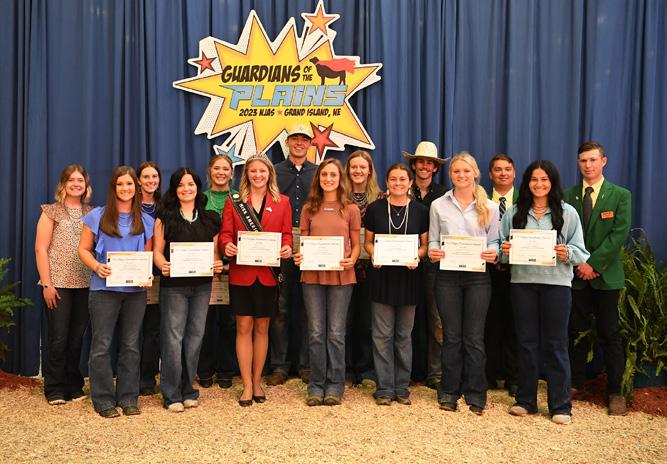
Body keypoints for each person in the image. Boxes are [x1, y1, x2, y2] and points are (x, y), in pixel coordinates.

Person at [500, 160, 589, 425]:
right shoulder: (514, 212)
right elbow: (500, 248)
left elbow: (580, 251)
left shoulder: (568, 213)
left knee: (556, 343)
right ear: (527, 183)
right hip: (522, 284)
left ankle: (561, 405)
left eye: (544, 179)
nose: (539, 184)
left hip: (557, 285)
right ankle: (525, 400)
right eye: (534, 179)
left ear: (553, 182)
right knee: (526, 342)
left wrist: (567, 252)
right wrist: (504, 250)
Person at [78, 166, 154, 418]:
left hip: (135, 292)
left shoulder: (146, 220)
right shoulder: (97, 216)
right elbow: (83, 250)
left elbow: (146, 255)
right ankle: (102, 399)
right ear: (113, 187)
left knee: (131, 344)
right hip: (104, 290)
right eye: (120, 184)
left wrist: (146, 274)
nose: (125, 188)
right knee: (101, 344)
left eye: (129, 184)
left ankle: (129, 397)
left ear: (136, 187)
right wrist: (96, 266)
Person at [427, 152, 499, 415]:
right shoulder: (438, 205)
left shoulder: (490, 207)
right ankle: (448, 392)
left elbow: (495, 241)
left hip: (477, 277)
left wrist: (494, 252)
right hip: (447, 276)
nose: (461, 175)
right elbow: (433, 240)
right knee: (451, 336)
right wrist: (433, 251)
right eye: (456, 171)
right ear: (450, 175)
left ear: (475, 173)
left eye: (466, 171)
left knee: (474, 338)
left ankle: (476, 394)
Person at [565, 141, 631, 416]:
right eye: (583, 160)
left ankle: (615, 392)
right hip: (576, 276)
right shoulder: (568, 196)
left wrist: (592, 264)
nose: (588, 165)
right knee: (575, 332)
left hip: (605, 277)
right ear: (578, 163)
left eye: (593, 160)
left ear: (604, 161)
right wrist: (579, 263)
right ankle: (575, 384)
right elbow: (564, 233)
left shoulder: (621, 195)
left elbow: (619, 234)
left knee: (610, 334)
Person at [221, 153, 292, 406]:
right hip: (241, 274)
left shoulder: (282, 202)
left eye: (262, 171)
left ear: (270, 173)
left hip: (268, 275)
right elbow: (225, 234)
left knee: (262, 328)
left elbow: (286, 235)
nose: (258, 175)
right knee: (243, 327)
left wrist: (287, 247)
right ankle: (247, 385)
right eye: (253, 171)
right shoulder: (234, 201)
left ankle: (258, 380)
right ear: (246, 174)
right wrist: (227, 245)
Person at [153, 168, 223, 412]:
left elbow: (215, 254)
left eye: (190, 184)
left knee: (195, 337)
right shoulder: (164, 218)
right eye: (181, 185)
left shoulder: (210, 218)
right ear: (175, 189)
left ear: (197, 187)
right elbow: (157, 253)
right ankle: (171, 394)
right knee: (173, 339)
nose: (186, 189)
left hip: (202, 286)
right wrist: (163, 265)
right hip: (174, 287)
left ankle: (188, 390)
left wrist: (217, 264)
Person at [295, 158, 361, 406]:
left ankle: (335, 384)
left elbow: (356, 245)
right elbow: (303, 243)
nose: (328, 179)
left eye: (333, 175)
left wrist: (352, 259)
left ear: (340, 178)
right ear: (318, 179)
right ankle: (316, 384)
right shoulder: (308, 209)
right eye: (324, 175)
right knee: (315, 332)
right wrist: (300, 255)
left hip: (341, 276)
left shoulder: (351, 209)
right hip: (312, 276)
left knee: (335, 333)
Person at [364, 163, 429, 405]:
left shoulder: (420, 211)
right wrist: (374, 254)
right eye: (393, 179)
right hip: (382, 278)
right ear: (387, 182)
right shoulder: (375, 209)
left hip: (409, 279)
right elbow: (368, 242)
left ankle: (401, 387)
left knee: (403, 336)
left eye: (403, 179)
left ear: (410, 183)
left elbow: (425, 245)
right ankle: (384, 388)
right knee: (382, 335)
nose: (398, 183)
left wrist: (417, 256)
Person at [35, 164, 93, 405]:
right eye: (72, 180)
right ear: (64, 184)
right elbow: (40, 249)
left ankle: (73, 385)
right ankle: (54, 388)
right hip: (57, 283)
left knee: (76, 338)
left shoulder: (92, 213)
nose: (76, 184)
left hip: (85, 283)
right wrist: (47, 284)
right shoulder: (51, 211)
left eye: (80, 180)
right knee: (58, 338)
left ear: (86, 185)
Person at [267, 124, 317, 386]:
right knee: (281, 307)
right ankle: (280, 365)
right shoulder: (274, 172)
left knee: (310, 307)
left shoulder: (318, 173)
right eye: (294, 139)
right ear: (287, 142)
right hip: (282, 246)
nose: (299, 143)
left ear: (310, 144)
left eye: (304, 139)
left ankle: (307, 365)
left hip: (313, 246)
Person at [402, 141, 448, 389]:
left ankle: (436, 374)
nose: (424, 166)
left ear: (435, 168)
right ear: (413, 165)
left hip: (433, 263)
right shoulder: (400, 188)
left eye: (429, 163)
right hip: (403, 262)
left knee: (436, 319)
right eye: (420, 161)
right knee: (405, 320)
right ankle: (406, 371)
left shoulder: (444, 194)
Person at [197, 154, 238, 390]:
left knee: (229, 322)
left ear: (232, 173)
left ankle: (226, 369)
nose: (221, 172)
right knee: (203, 321)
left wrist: (230, 263)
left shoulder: (240, 199)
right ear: (210, 171)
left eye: (225, 169)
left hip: (233, 268)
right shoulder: (200, 199)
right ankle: (204, 368)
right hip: (204, 269)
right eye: (217, 168)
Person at [343, 150, 383, 385]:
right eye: (354, 167)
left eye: (362, 167)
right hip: (343, 267)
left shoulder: (381, 199)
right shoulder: (339, 197)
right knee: (345, 321)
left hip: (372, 268)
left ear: (369, 171)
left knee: (368, 322)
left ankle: (367, 370)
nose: (358, 171)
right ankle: (346, 370)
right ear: (348, 171)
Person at [484, 154, 519, 395]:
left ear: (514, 173)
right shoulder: (480, 200)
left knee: (516, 324)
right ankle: (489, 375)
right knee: (489, 324)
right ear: (490, 174)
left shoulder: (525, 201)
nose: (503, 173)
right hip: (487, 270)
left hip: (517, 271)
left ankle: (514, 377)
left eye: (507, 169)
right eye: (497, 169)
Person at [136, 161, 162, 396]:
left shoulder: (164, 207)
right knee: (132, 329)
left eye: (154, 176)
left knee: (153, 330)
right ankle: (129, 377)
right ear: (138, 180)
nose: (150, 180)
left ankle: (147, 379)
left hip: (157, 276)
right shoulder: (128, 206)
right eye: (146, 177)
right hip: (132, 275)